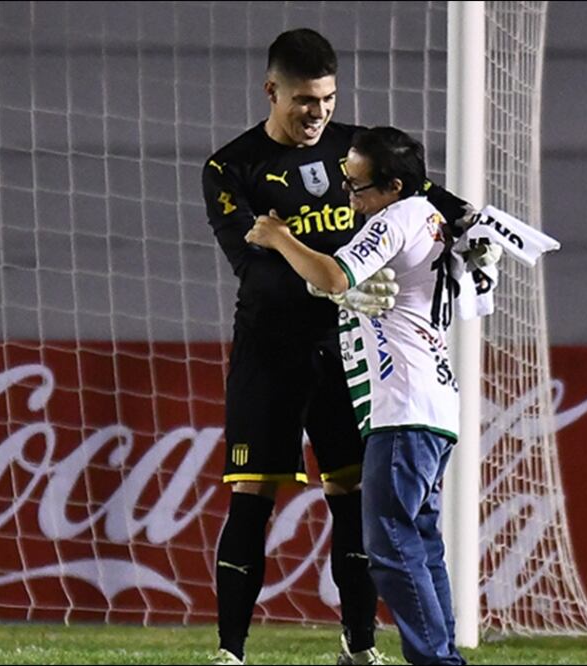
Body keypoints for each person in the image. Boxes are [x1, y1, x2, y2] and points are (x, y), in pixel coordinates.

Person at [202, 29, 473, 666]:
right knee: (252, 496)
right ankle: (230, 652)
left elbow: (426, 198)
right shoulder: (230, 166)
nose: (316, 112)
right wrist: (342, 278)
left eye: (326, 99)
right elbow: (254, 261)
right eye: (302, 100)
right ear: (272, 91)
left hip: (352, 355)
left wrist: (471, 222)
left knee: (355, 501)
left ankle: (359, 646)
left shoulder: (362, 155)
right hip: (271, 349)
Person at [245, 126, 469, 665]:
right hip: (430, 402)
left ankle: (438, 662)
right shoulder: (428, 218)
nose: (349, 197)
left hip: (404, 405)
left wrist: (277, 235)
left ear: (393, 186)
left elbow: (336, 275)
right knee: (420, 540)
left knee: (389, 545)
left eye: (358, 187)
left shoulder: (396, 217)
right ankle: (443, 656)